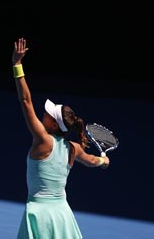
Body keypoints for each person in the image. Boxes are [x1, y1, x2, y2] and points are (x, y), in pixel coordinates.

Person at [12, 37, 110, 239]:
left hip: (40, 215)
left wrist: (17, 65)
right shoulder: (73, 148)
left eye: (48, 114)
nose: (44, 114)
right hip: (62, 215)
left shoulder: (42, 140)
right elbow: (92, 161)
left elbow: (25, 101)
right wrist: (103, 160)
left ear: (54, 124)